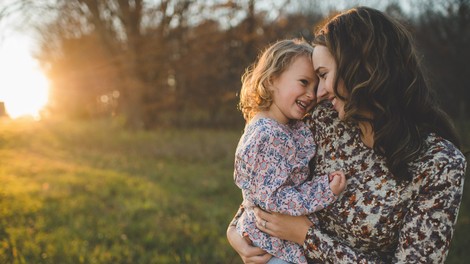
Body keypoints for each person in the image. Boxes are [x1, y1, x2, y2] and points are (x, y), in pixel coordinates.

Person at [227, 6, 466, 264]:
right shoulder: (323, 121)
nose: (317, 94)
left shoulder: (440, 164)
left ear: (361, 70)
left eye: (323, 76)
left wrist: (307, 237)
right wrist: (235, 231)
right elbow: (270, 184)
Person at [233, 39, 347, 264]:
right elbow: (272, 198)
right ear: (272, 79)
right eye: (303, 82)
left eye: (314, 87)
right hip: (274, 250)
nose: (312, 95)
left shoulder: (285, 126)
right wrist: (324, 190)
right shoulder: (267, 135)